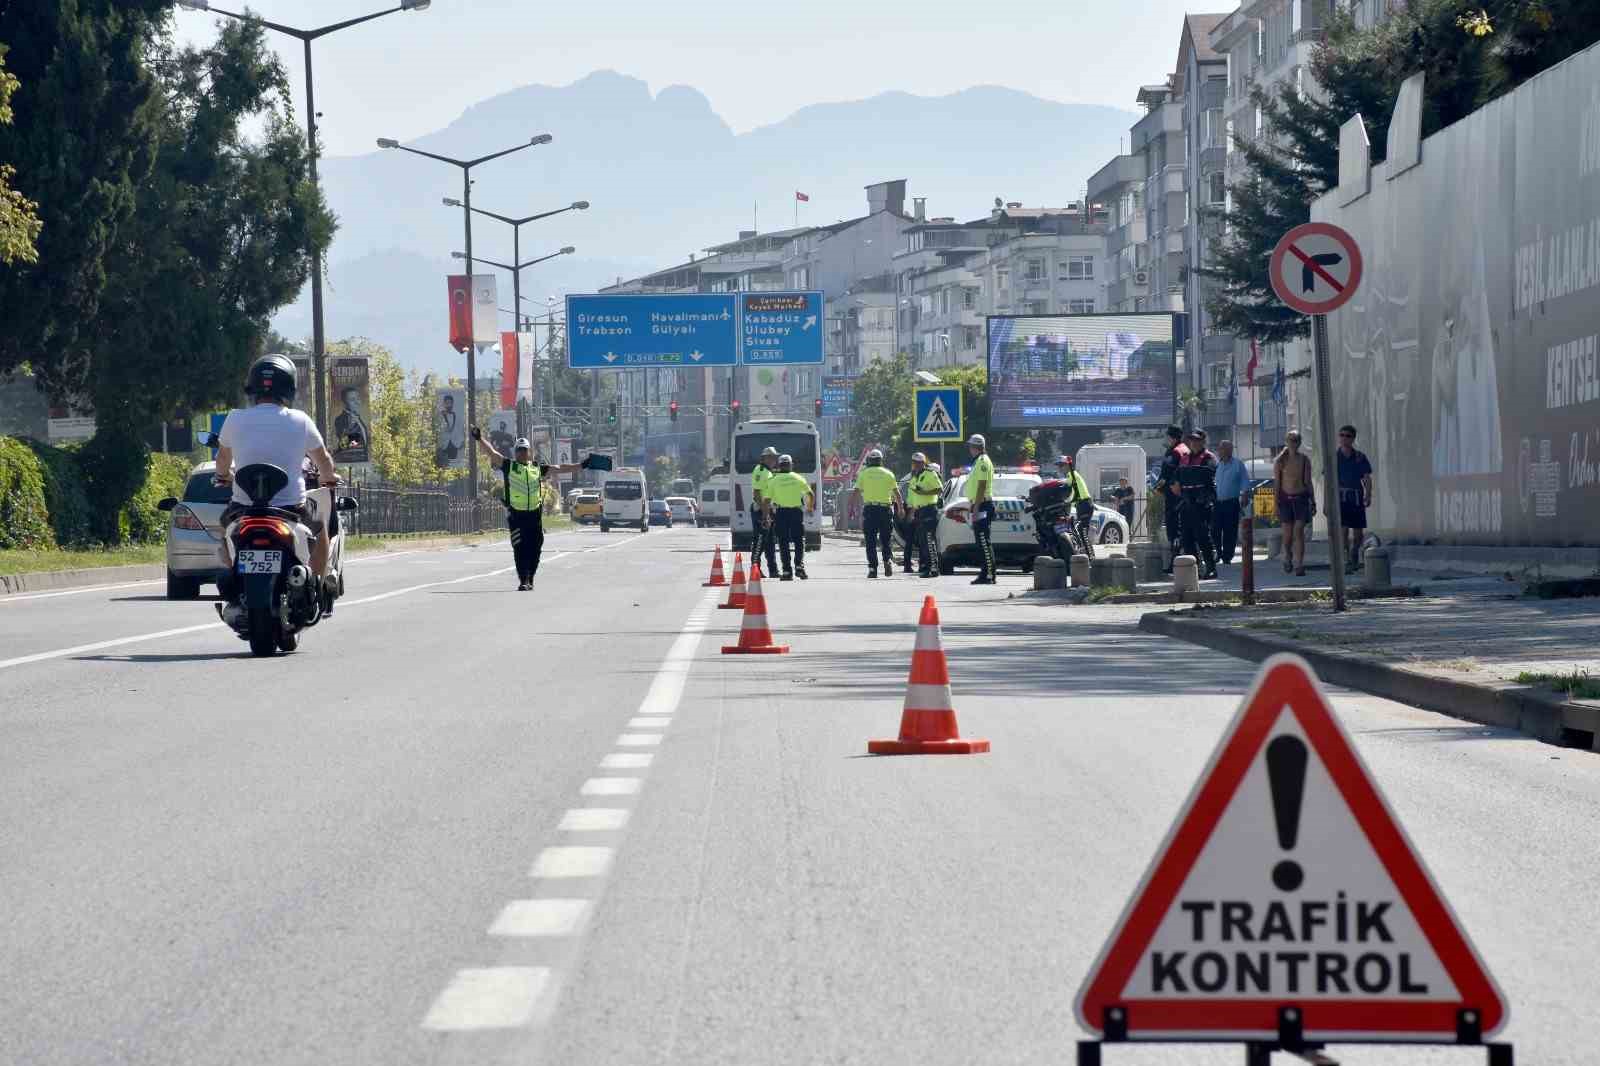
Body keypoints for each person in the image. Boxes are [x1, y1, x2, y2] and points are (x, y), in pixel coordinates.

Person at [213, 355, 340, 603]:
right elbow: (323, 459)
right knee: (321, 528)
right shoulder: (300, 420)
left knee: (225, 529)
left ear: (252, 388)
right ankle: (317, 584)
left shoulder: (235, 418)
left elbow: (222, 459)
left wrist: (223, 476)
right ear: (289, 388)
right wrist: (328, 477)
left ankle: (233, 575)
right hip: (291, 508)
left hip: (244, 508)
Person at [472, 428, 581, 591]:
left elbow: (561, 467)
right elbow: (492, 453)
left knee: (536, 547)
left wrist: (582, 465)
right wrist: (480, 438)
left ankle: (530, 577)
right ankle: (524, 580)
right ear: (515, 452)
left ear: (530, 452)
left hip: (534, 516)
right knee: (520, 548)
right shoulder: (509, 466)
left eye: (525, 450)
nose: (522, 453)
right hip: (516, 515)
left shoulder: (537, 468)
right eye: (519, 450)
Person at [1176, 429, 1220, 579]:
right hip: (1187, 500)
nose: (1194, 443)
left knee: (1202, 535)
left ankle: (1210, 567)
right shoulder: (1185, 458)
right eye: (1192, 440)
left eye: (1197, 440)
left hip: (1202, 501)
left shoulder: (1209, 457)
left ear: (1203, 441)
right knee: (1187, 537)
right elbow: (1178, 477)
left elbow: (1207, 474)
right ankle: (1194, 568)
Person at [853, 449, 902, 578]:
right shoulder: (888, 474)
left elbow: (856, 493)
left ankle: (873, 569)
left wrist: (854, 509)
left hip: (870, 510)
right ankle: (887, 560)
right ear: (881, 461)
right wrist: (901, 509)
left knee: (870, 541)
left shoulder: (863, 474)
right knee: (886, 539)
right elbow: (897, 493)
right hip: (885, 510)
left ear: (869, 461)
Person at [765, 453, 814, 580]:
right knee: (798, 540)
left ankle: (787, 571)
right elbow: (810, 494)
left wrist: (766, 516)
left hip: (781, 513)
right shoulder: (799, 478)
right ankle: (799, 567)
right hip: (796, 513)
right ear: (791, 465)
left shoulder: (773, 480)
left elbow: (766, 500)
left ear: (779, 466)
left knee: (783, 542)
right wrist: (809, 507)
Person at [1274, 430, 1316, 577]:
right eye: (1291, 440)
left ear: (1299, 442)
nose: (1293, 443)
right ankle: (1287, 555)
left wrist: (1313, 501)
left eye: (1296, 440)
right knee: (1287, 535)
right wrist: (1276, 504)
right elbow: (1277, 484)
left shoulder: (1304, 460)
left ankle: (1299, 564)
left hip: (1301, 499)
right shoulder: (1280, 461)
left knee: (1298, 532)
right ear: (1286, 441)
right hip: (1285, 500)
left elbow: (1308, 482)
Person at [1336, 424, 1374, 569]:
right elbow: (1328, 481)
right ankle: (1346, 559)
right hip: (1341, 498)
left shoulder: (1359, 457)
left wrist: (1368, 495)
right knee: (1343, 531)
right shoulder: (1334, 457)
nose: (1344, 438)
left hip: (1357, 497)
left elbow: (1367, 477)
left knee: (1358, 534)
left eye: (1347, 436)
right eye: (1341, 435)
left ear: (1353, 439)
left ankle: (1354, 551)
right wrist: (1327, 503)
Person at [902, 452, 943, 578]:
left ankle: (933, 568)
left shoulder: (930, 474)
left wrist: (925, 492)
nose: (916, 465)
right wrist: (912, 514)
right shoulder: (915, 477)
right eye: (914, 462)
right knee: (923, 542)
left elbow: (939, 489)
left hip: (929, 509)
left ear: (923, 463)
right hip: (919, 511)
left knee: (929, 541)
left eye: (919, 463)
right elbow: (915, 498)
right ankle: (927, 567)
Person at [1155, 425, 1188, 573]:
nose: (1165, 439)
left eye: (1167, 436)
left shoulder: (1174, 452)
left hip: (1173, 496)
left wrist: (1158, 488)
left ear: (1172, 438)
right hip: (1184, 496)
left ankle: (1174, 563)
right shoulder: (1185, 449)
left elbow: (1166, 475)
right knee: (1182, 528)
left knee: (1174, 530)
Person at [966, 434, 997, 584]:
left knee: (984, 541)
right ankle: (985, 573)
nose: (969, 449)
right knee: (981, 541)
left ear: (975, 447)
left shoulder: (983, 461)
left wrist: (976, 507)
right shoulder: (978, 461)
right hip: (978, 504)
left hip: (983, 505)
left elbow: (982, 485)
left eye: (970, 446)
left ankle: (989, 574)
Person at [1212, 439, 1248, 566]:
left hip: (1231, 503)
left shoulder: (1238, 464)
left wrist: (1244, 494)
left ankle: (1227, 556)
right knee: (1215, 530)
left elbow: (1244, 481)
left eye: (1221, 449)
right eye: (1219, 449)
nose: (1218, 451)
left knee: (1230, 531)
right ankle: (1218, 551)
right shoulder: (1217, 465)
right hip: (1218, 503)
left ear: (1229, 450)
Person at [1054, 454, 1095, 558]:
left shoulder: (1071, 475)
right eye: (1059, 465)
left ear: (1068, 465)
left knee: (1082, 530)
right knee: (1080, 530)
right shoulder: (1072, 475)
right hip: (1082, 504)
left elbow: (1064, 487)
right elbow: (1072, 493)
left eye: (1062, 465)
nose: (1060, 468)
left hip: (1084, 504)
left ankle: (1090, 557)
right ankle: (1088, 555)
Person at [750, 446, 780, 578]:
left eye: (775, 457)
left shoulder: (768, 472)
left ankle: (773, 570)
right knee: (760, 540)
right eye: (772, 457)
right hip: (761, 511)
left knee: (770, 542)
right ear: (765, 458)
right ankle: (755, 568)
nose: (775, 460)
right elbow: (756, 494)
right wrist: (765, 514)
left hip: (768, 510)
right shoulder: (760, 470)